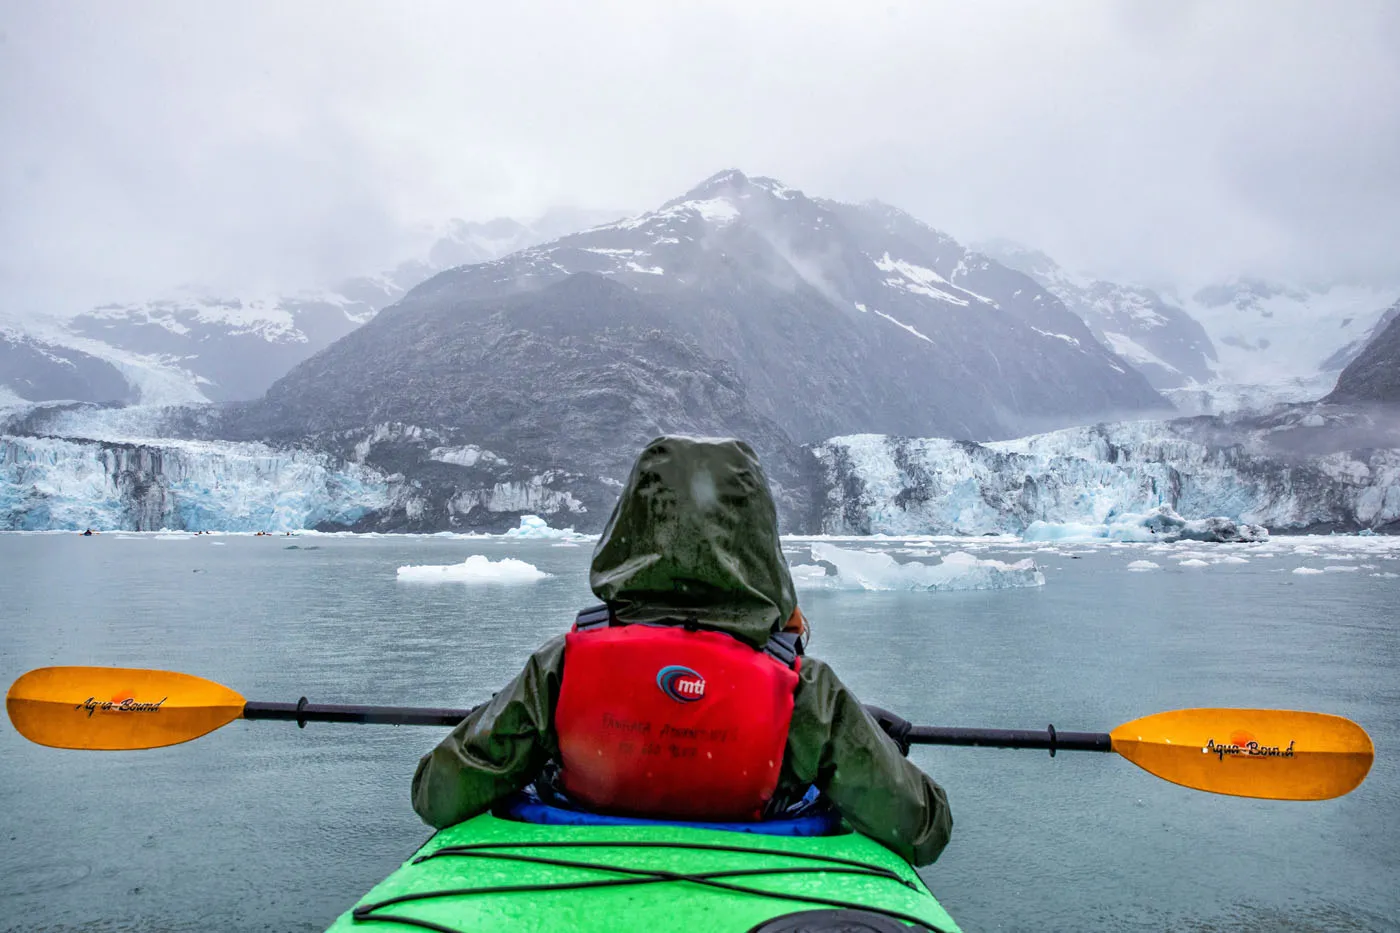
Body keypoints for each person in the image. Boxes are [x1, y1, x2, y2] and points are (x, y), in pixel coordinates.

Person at [411, 436, 952, 866]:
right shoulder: (807, 692)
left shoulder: (562, 666)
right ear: (759, 542)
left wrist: (500, 722)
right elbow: (923, 829)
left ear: (631, 527)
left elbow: (438, 794)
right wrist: (869, 740)